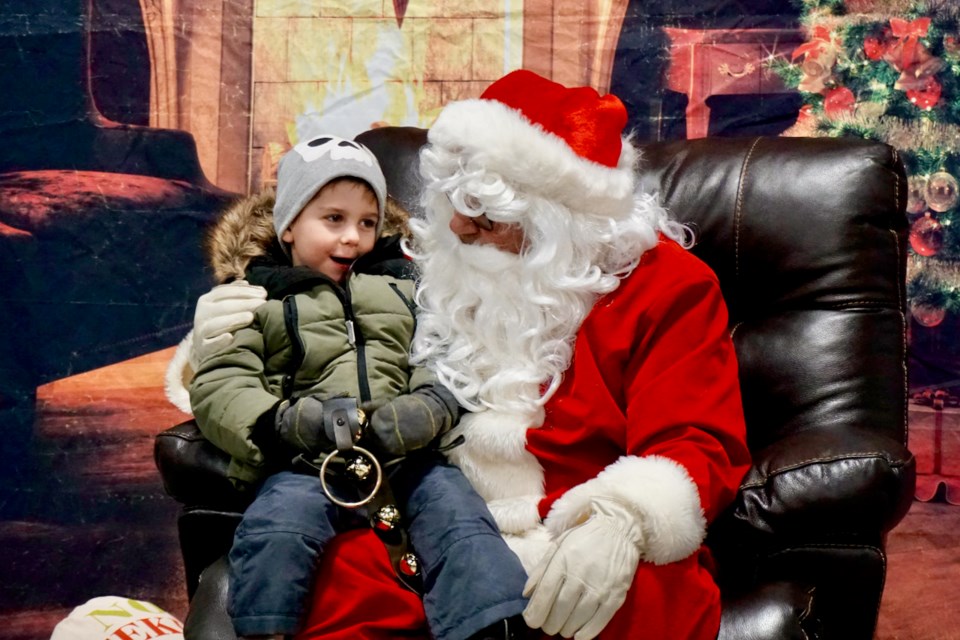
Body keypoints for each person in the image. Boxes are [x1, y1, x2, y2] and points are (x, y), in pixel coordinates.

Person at [173, 70, 752, 640]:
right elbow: (323, 313)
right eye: (453, 198)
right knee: (338, 577)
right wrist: (219, 330)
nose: (455, 225)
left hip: (571, 524)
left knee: (646, 597)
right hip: (426, 514)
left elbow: (696, 437)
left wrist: (623, 520)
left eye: (486, 213)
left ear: (560, 224)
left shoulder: (668, 288)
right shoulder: (438, 261)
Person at [186, 134, 529, 640]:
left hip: (406, 457)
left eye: (367, 223)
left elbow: (439, 355)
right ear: (288, 228)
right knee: (276, 530)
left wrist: (429, 406)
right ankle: (264, 630)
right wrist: (282, 423)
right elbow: (221, 383)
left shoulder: (404, 288)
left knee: (462, 524)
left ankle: (493, 627)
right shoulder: (257, 299)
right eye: (333, 220)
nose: (353, 238)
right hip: (307, 461)